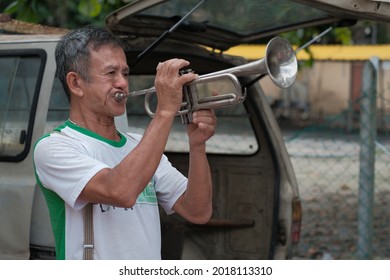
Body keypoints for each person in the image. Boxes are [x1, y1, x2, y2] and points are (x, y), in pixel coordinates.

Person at [33, 26, 217, 260]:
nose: (122, 83)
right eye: (111, 73)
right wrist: (165, 111)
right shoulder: (54, 147)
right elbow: (120, 191)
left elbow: (198, 211)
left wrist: (198, 146)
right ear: (76, 83)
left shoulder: (140, 145)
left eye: (125, 73)